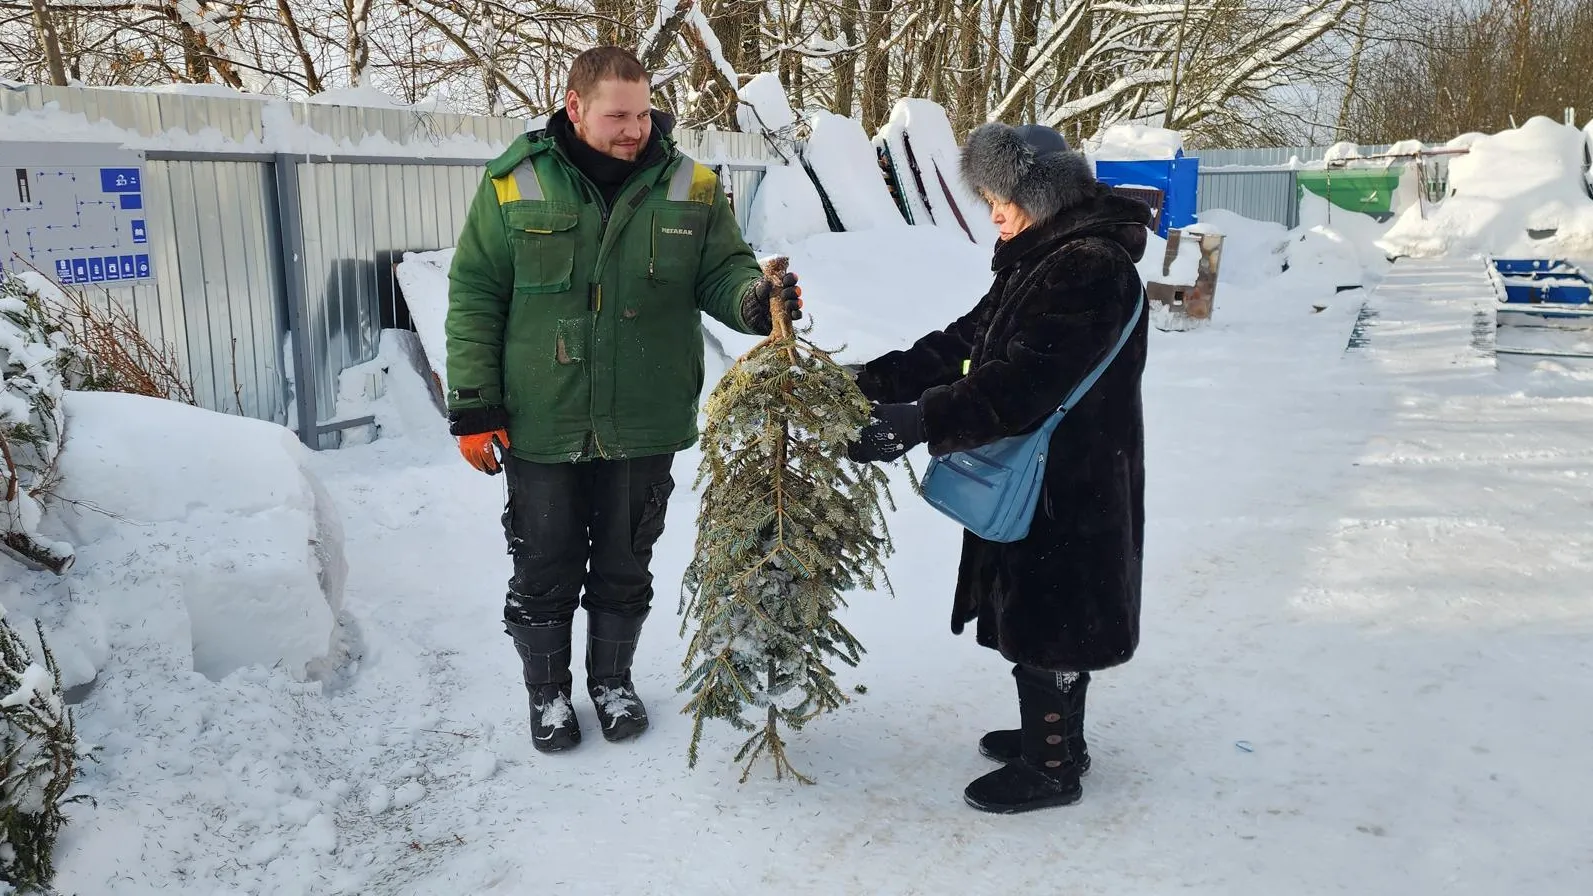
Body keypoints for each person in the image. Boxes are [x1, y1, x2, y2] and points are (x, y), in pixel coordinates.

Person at [443, 46, 803, 754]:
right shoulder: (513, 182)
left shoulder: (690, 186)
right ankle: (547, 694)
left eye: (642, 113)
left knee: (624, 560)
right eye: (618, 115)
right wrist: (475, 406)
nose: (634, 128)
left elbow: (722, 273)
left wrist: (757, 303)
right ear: (574, 107)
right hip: (541, 418)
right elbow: (475, 294)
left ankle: (611, 681)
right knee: (543, 566)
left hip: (643, 417)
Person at [845, 122, 1152, 813]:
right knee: (1038, 605)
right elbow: (966, 343)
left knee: (1053, 614)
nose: (994, 214)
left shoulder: (1088, 267)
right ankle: (1053, 740)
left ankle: (1052, 770)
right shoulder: (1041, 257)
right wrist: (874, 382)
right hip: (1042, 469)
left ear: (1046, 195)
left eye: (1003, 199)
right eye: (987, 199)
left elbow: (1023, 383)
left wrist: (920, 422)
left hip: (1071, 479)